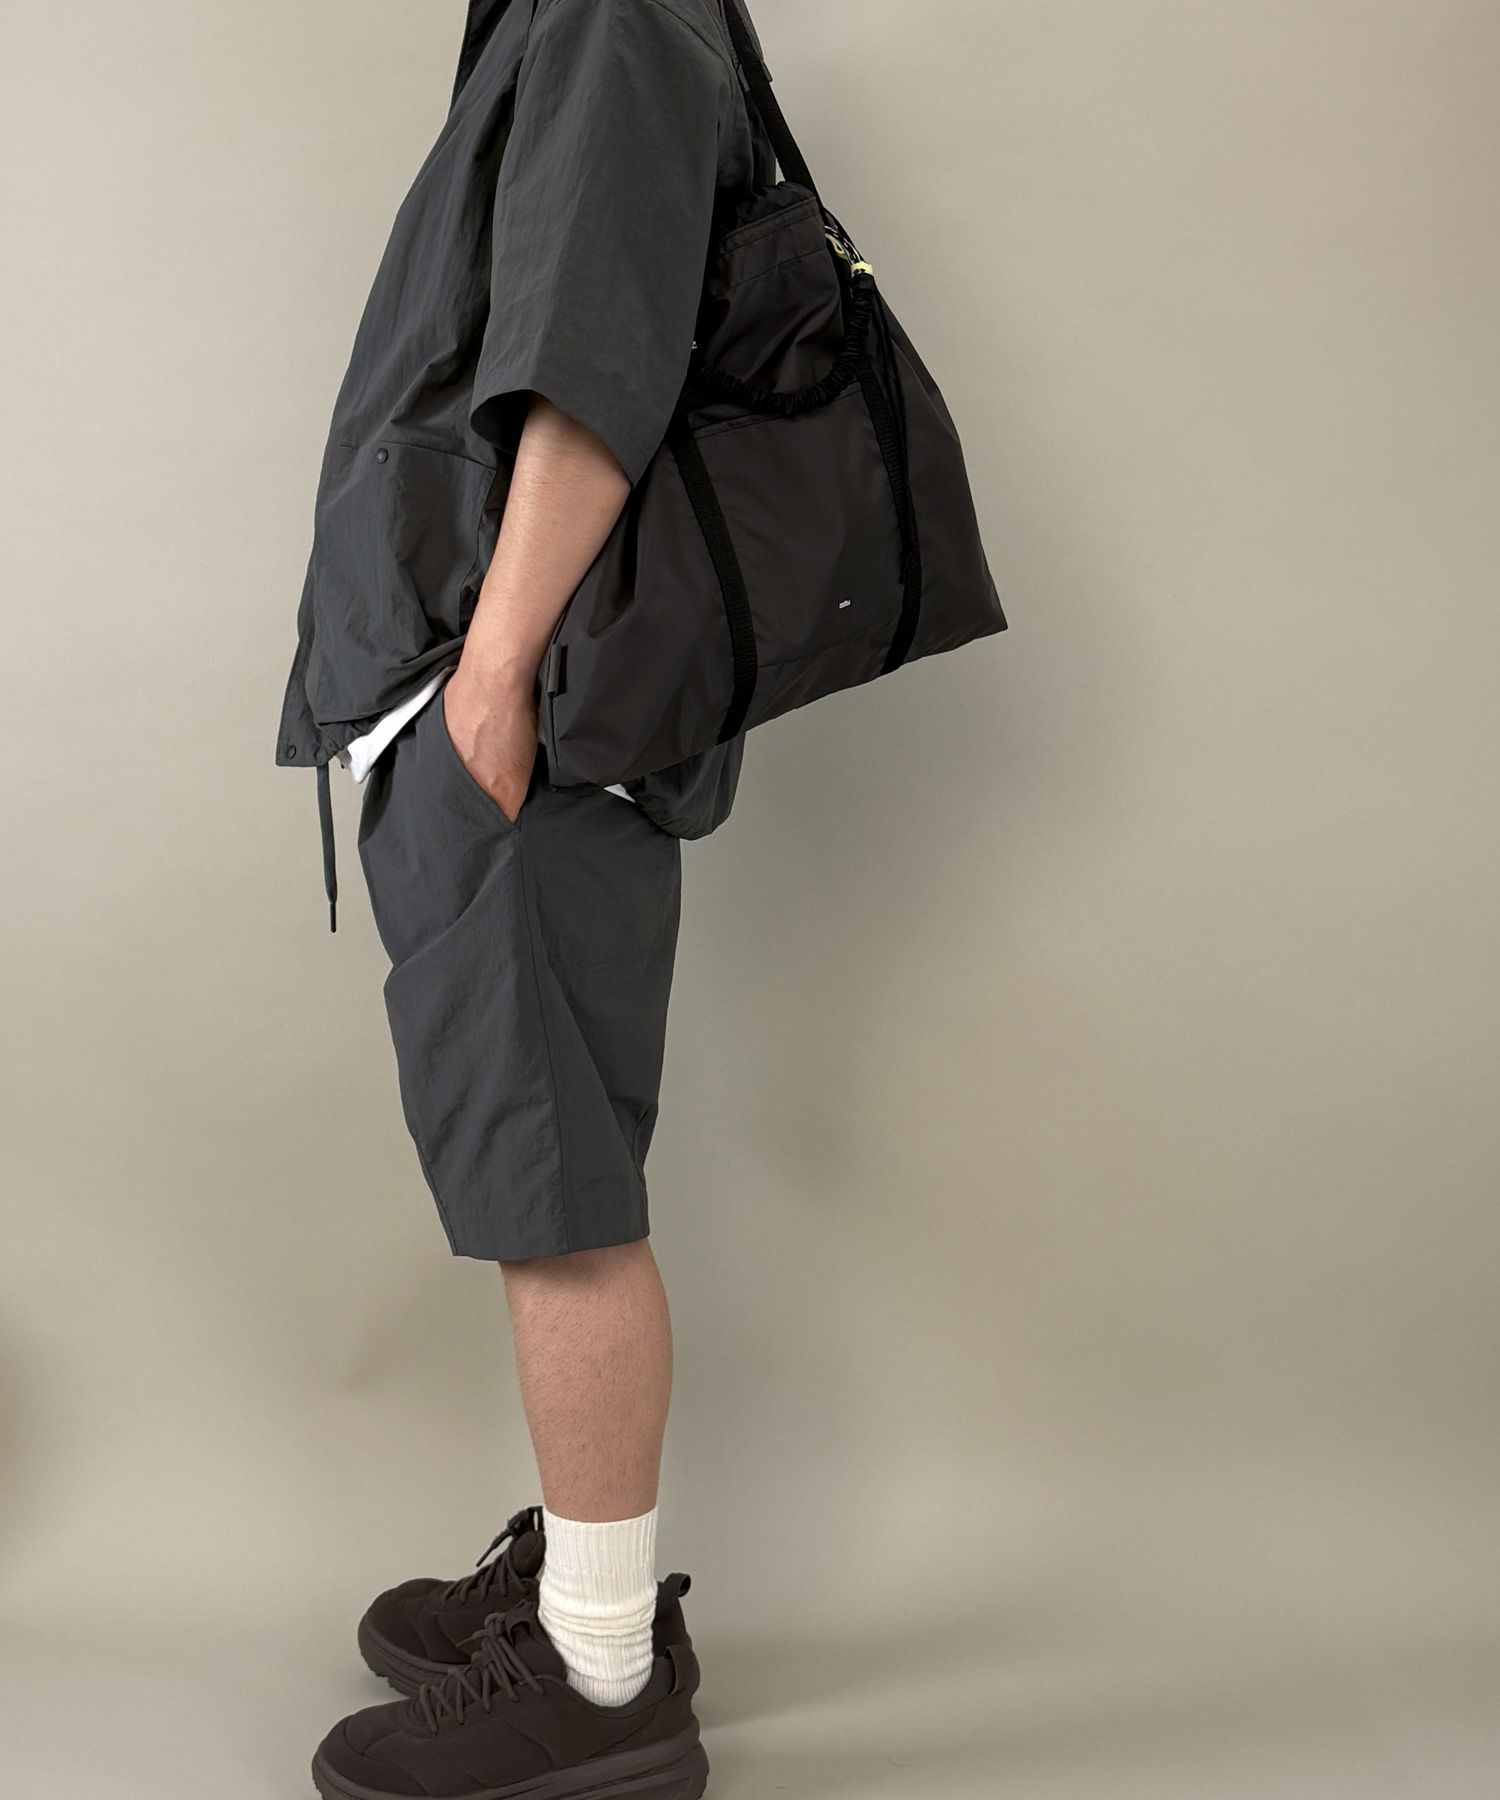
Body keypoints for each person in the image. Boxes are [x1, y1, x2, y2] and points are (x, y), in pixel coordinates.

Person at [274, 3, 776, 1797]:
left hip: (521, 724)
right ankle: (587, 1594)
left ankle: (602, 1678)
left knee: (552, 1194)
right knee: (542, 1171)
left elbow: (592, 371)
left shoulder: (610, 19)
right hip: (509, 718)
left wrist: (486, 691)